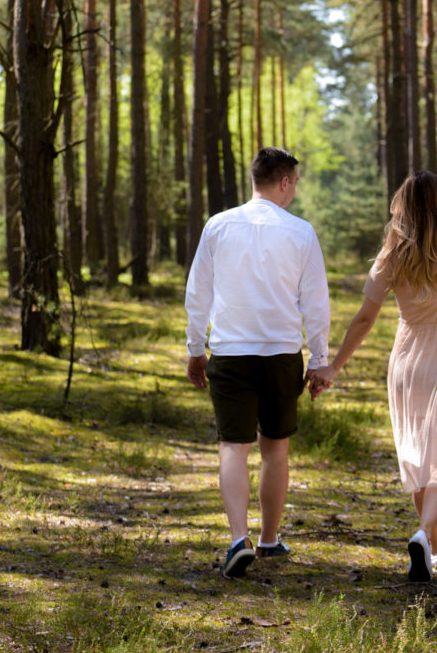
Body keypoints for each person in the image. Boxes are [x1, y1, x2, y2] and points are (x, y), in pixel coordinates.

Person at [308, 169, 437, 583]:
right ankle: (423, 535)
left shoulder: (391, 255)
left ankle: (434, 544)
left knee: (419, 451)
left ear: (402, 207)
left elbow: (366, 317)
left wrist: (334, 366)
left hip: (407, 359)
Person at [185, 146, 330, 580]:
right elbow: (316, 304)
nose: (295, 190)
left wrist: (196, 349)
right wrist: (319, 360)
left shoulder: (218, 226)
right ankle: (268, 539)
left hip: (230, 352)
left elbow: (198, 294)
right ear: (284, 181)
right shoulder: (301, 232)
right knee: (275, 450)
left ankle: (237, 539)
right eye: (295, 183)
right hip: (283, 353)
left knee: (233, 446)